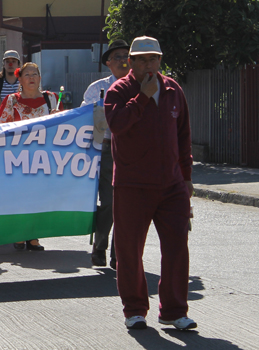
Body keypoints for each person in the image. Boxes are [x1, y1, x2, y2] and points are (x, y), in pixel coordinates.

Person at [104, 36, 195, 331]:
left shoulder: (173, 89)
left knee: (177, 248)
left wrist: (187, 179)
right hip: (132, 184)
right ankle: (134, 310)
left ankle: (173, 311)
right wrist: (143, 97)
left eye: (153, 58)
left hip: (172, 185)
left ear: (160, 60)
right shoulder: (119, 90)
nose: (148, 65)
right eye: (141, 60)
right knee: (130, 251)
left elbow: (183, 136)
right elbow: (117, 125)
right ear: (130, 62)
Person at [0, 62, 62, 251]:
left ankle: (33, 235)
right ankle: (19, 232)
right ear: (20, 79)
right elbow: (1, 126)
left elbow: (63, 128)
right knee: (19, 196)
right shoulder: (12, 101)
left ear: (40, 78)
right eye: (27, 74)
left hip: (44, 156)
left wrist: (58, 116)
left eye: (35, 74)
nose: (31, 78)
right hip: (18, 156)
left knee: (39, 197)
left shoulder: (52, 99)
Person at [81, 39, 130, 269]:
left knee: (128, 205)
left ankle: (120, 253)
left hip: (134, 150)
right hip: (107, 149)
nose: (123, 61)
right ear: (108, 63)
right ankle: (100, 246)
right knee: (110, 202)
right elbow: (85, 117)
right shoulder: (97, 88)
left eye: (126, 56)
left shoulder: (142, 85)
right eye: (117, 57)